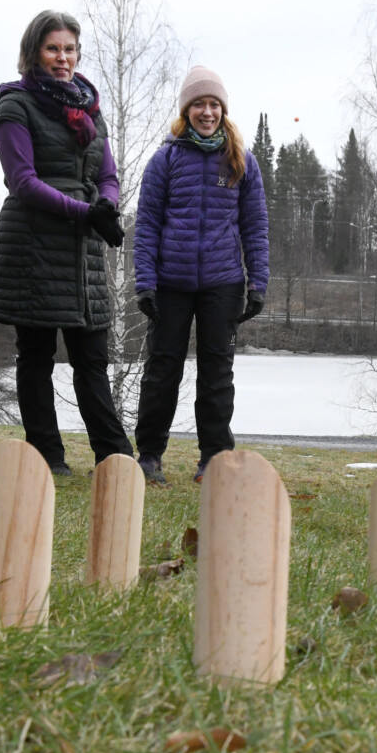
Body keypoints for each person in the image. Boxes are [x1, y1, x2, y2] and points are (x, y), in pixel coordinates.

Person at [0, 9, 134, 476]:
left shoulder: (89, 109)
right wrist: (85, 212)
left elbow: (106, 173)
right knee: (36, 356)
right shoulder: (15, 108)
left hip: (82, 250)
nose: (63, 58)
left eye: (69, 49)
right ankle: (47, 457)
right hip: (33, 246)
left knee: (92, 358)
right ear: (34, 53)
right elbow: (23, 182)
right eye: (53, 48)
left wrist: (106, 206)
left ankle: (115, 459)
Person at [131, 66, 269, 484]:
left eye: (214, 105)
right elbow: (147, 224)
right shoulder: (165, 158)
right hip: (170, 285)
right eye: (198, 105)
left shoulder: (241, 161)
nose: (206, 112)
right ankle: (149, 456)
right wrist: (144, 283)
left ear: (223, 111)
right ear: (186, 110)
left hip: (223, 285)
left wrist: (257, 283)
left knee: (216, 373)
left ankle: (214, 459)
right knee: (162, 370)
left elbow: (255, 225)